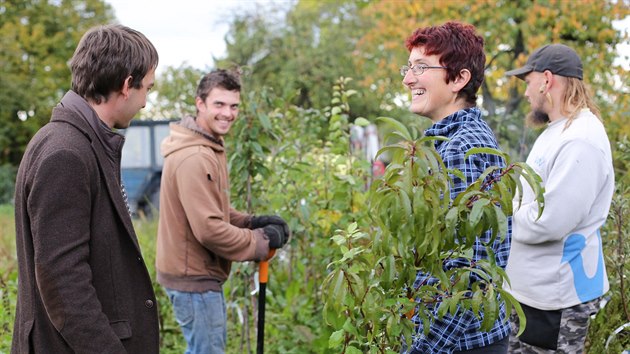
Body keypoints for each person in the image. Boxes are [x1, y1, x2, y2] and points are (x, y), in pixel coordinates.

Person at [12, 24, 159, 353]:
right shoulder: (66, 153)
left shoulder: (78, 143)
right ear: (125, 85)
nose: (146, 103)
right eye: (146, 89)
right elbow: (64, 283)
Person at [156, 69, 290, 353]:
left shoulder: (206, 145)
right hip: (194, 280)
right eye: (219, 104)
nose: (228, 113)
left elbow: (212, 206)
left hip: (194, 275)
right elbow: (209, 229)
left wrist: (252, 221)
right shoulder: (195, 156)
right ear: (200, 103)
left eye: (234, 106)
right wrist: (260, 242)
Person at [400, 21, 511, 354]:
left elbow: (470, 274)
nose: (407, 79)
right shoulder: (451, 142)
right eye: (407, 67)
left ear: (460, 79)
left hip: (459, 344)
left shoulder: (461, 149)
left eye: (421, 67)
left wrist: (423, 348)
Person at [505, 44, 614, 353]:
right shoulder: (557, 132)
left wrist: (502, 218)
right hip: (534, 293)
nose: (526, 93)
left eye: (528, 82)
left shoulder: (581, 139)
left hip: (556, 298)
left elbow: (550, 221)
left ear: (547, 80)